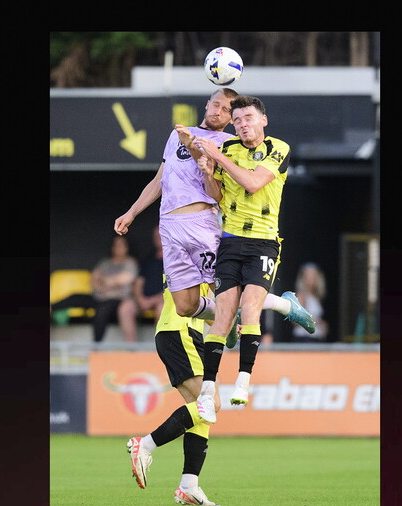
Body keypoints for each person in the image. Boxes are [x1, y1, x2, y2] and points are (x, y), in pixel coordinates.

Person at [113, 88, 311, 357]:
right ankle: (227, 319)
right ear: (207, 104)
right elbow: (160, 179)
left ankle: (281, 306)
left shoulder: (229, 144)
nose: (219, 111)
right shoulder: (176, 135)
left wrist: (192, 146)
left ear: (232, 119)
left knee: (228, 290)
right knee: (184, 304)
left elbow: (215, 189)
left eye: (227, 110)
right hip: (169, 226)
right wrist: (132, 213)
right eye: (216, 105)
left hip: (202, 224)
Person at [192, 94, 316, 420]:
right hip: (230, 240)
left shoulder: (278, 148)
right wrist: (208, 172)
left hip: (263, 242)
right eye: (237, 120)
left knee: (249, 308)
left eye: (248, 118)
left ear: (263, 120)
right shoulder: (229, 149)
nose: (242, 124)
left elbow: (252, 183)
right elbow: (216, 195)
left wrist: (218, 157)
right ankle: (207, 390)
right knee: (222, 315)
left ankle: (243, 381)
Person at [126, 277, 221, 506]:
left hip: (180, 332)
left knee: (201, 414)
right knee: (211, 403)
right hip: (181, 331)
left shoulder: (190, 254)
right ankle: (145, 445)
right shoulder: (199, 253)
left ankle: (189, 486)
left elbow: (205, 307)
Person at [90, 235, 139, 342]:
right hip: (100, 297)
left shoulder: (130, 262)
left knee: (101, 312)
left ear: (127, 247)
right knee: (75, 297)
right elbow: (95, 281)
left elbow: (125, 279)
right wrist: (108, 283)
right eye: (116, 245)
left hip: (117, 300)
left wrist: (105, 280)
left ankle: (95, 347)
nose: (118, 247)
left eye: (121, 245)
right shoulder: (105, 263)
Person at [132, 225, 165, 323]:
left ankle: (158, 339)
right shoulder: (148, 259)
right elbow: (139, 282)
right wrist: (140, 299)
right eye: (155, 236)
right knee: (126, 308)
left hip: (163, 300)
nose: (157, 238)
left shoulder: (174, 259)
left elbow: (173, 287)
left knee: (162, 307)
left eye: (160, 235)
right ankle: (130, 339)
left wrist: (153, 300)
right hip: (144, 301)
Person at [291, 262, 328, 342]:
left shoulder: (316, 296)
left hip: (316, 337)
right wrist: (317, 322)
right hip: (304, 338)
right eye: (308, 276)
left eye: (313, 276)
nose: (311, 280)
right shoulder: (301, 296)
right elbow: (296, 320)